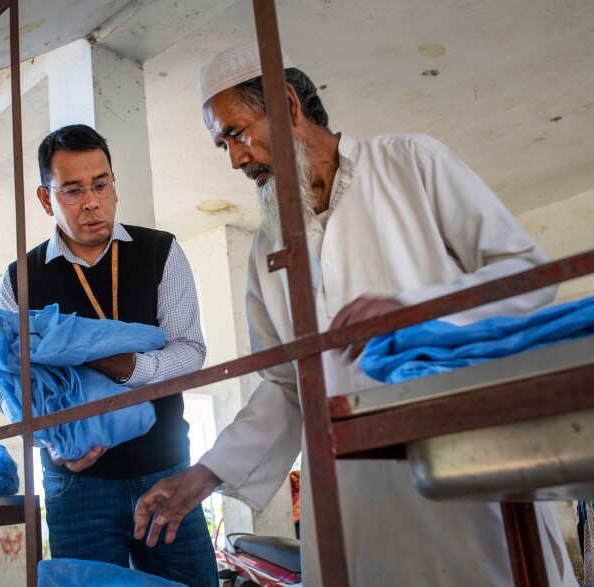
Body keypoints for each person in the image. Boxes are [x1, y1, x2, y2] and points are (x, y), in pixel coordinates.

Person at [134, 40, 577, 586]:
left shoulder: (411, 163)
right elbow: (286, 384)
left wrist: (416, 314)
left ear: (288, 105)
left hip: (459, 475)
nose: (234, 158)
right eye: (221, 144)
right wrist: (205, 473)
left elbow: (523, 274)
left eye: (237, 133)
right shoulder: (266, 247)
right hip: (350, 502)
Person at [0, 124, 217, 586]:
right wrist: (55, 444)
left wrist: (127, 368)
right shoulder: (20, 278)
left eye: (101, 184)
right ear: (45, 198)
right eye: (72, 190)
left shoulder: (160, 250)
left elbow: (191, 352)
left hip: (166, 468)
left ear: (114, 183)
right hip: (75, 484)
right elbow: (10, 390)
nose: (92, 202)